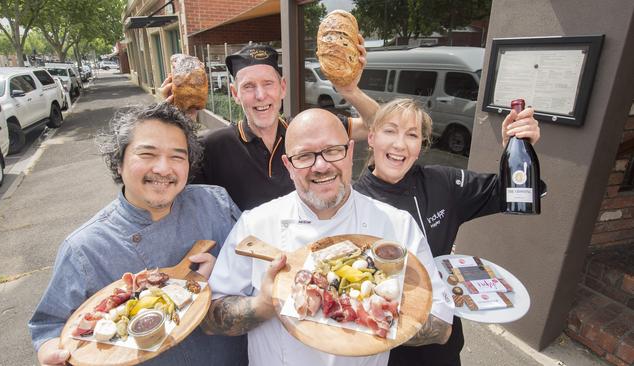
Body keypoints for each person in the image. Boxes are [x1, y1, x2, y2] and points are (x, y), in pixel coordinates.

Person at [202, 108, 455, 366]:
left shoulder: (397, 225)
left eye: (332, 150)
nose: (321, 165)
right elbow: (211, 318)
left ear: (350, 153)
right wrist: (265, 304)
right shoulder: (256, 224)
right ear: (288, 165)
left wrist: (372, 312)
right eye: (304, 156)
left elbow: (441, 324)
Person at [28, 102, 247, 366]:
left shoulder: (215, 202)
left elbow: (250, 262)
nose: (164, 169)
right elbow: (49, 325)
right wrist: (51, 349)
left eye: (177, 156)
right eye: (147, 154)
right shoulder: (85, 247)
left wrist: (223, 272)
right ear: (118, 162)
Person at [353, 98, 542, 366]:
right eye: (390, 131)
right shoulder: (352, 203)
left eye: (412, 135)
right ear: (371, 138)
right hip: (382, 348)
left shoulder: (442, 183)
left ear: (421, 146)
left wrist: (514, 149)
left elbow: (512, 193)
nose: (399, 144)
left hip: (441, 342)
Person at [161, 42, 378, 210]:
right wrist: (176, 119)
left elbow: (375, 127)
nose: (260, 95)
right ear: (235, 94)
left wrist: (350, 91)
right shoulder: (213, 146)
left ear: (282, 88)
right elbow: (167, 188)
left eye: (268, 83)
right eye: (248, 86)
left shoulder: (305, 132)